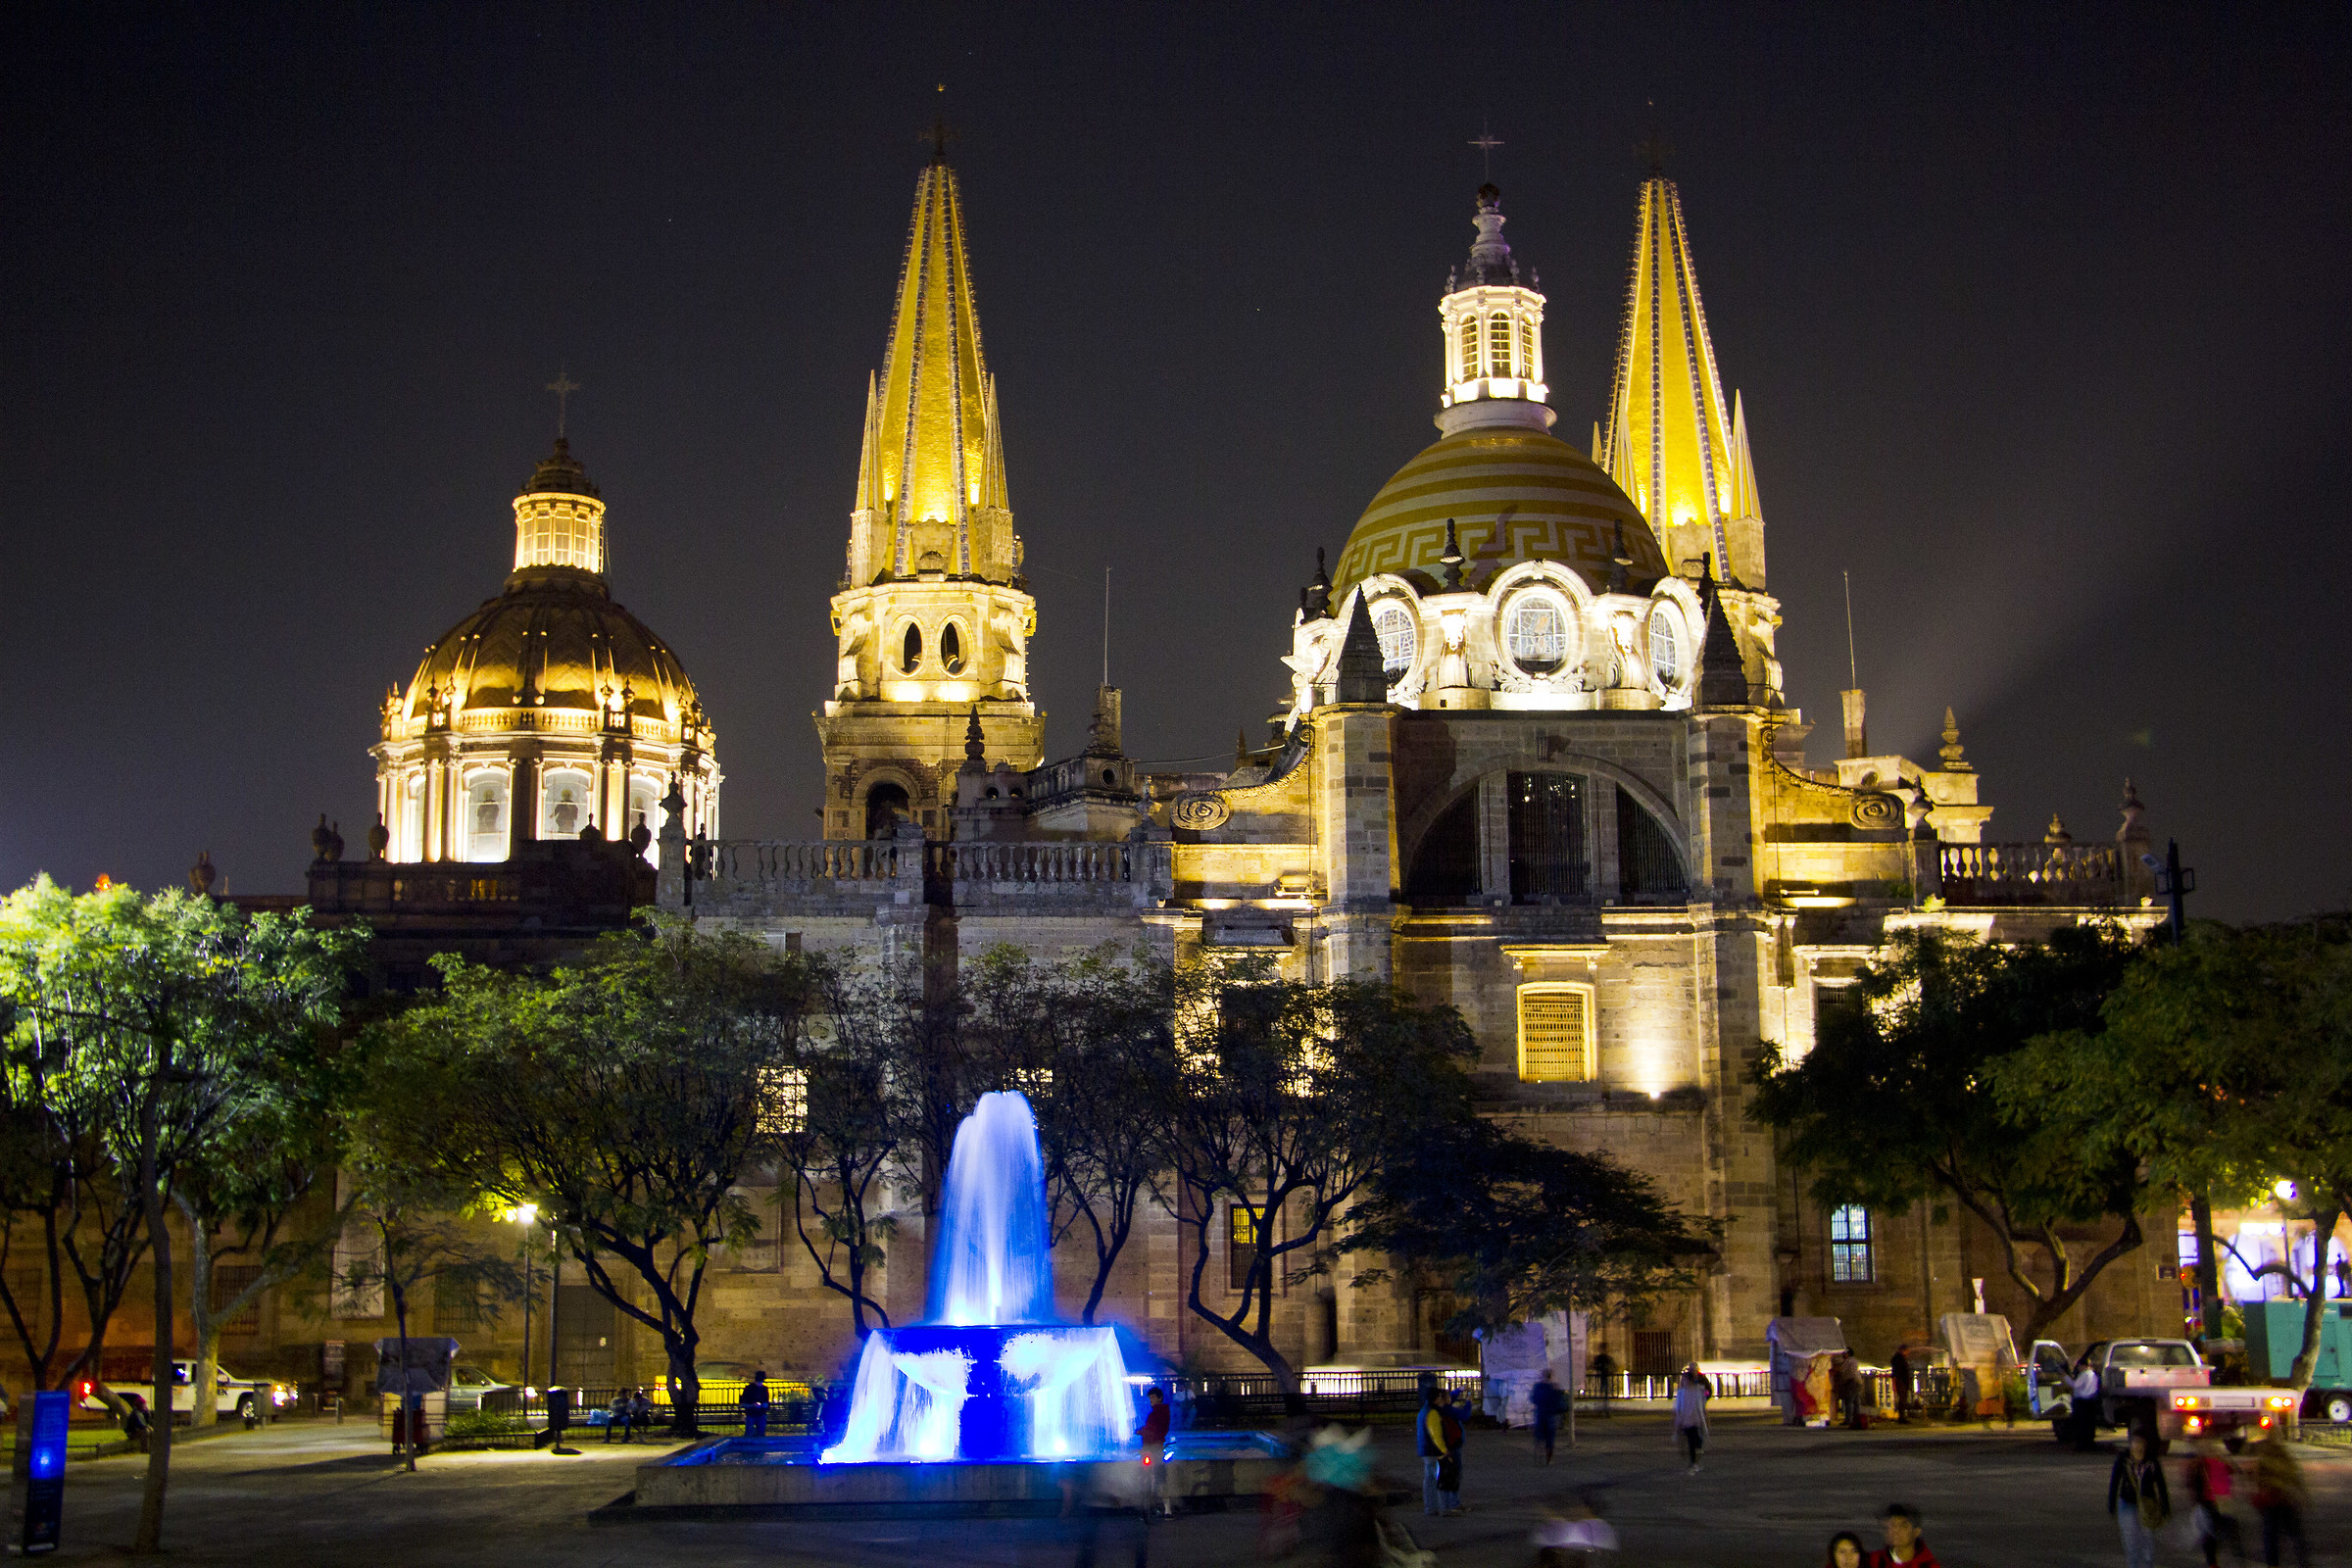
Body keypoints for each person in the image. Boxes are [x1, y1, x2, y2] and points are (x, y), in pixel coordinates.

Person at [2109, 1430, 2170, 1568]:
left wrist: (2165, 1506)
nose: (2137, 1446)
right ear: (2130, 1444)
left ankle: (2148, 1565)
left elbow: (2161, 1484)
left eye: (2140, 1443)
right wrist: (2112, 1504)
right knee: (2130, 1541)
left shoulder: (2151, 1461)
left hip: (2148, 1504)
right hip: (2127, 1503)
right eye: (2135, 1443)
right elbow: (2115, 1481)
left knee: (2147, 1539)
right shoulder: (2123, 1459)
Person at [2248, 1426, 2309, 1567]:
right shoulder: (2276, 1454)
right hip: (2279, 1499)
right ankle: (2301, 1563)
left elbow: (2258, 1477)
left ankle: (2276, 1563)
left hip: (2278, 1500)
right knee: (2290, 1535)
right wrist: (2301, 1493)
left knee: (2274, 1536)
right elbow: (2292, 1475)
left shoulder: (2270, 1454)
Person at [2183, 1439, 2243, 1567]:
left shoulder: (2220, 1461)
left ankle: (2236, 1558)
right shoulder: (2199, 1463)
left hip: (2224, 1501)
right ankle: (2213, 1562)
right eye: (2205, 1447)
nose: (2210, 1449)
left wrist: (2225, 1458)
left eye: (2211, 1446)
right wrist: (2197, 1501)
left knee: (2230, 1529)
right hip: (2209, 1501)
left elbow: (2234, 1470)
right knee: (2211, 1532)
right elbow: (2191, 1482)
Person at [1417, 1384, 1459, 1517]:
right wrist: (1444, 1450)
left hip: (1426, 1450)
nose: (1442, 1399)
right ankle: (1444, 1509)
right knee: (1442, 1480)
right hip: (1434, 1452)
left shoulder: (1424, 1411)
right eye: (1440, 1397)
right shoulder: (1433, 1413)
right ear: (1436, 1398)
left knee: (1429, 1480)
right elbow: (1436, 1434)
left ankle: (1431, 1508)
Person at [1869, 1503, 1940, 1568]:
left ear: (1916, 1532)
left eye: (1903, 1526)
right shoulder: (1873, 1562)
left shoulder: (1929, 1565)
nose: (1894, 1531)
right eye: (1887, 1527)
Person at [1137, 1386, 1171, 1517]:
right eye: (1150, 1398)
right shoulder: (1162, 1412)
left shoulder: (1158, 1412)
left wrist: (1141, 1432)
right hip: (1155, 1446)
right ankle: (1166, 1509)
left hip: (1153, 1447)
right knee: (1159, 1477)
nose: (1151, 1400)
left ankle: (1153, 1507)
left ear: (1160, 1398)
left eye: (1153, 1397)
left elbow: (1154, 1429)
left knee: (1152, 1476)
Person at [1671, 1363, 1710, 1474]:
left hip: (1695, 1419)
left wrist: (1705, 1395)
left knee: (1695, 1440)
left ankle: (1694, 1460)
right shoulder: (1682, 1392)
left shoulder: (1701, 1382)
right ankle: (1693, 1463)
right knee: (1691, 1441)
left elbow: (1708, 1392)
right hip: (1687, 1420)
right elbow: (1678, 1407)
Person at [1438, 1388, 1467, 1514]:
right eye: (1448, 1397)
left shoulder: (1442, 1408)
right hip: (1453, 1446)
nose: (1451, 1398)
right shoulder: (1448, 1410)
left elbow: (1451, 1398)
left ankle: (1450, 1503)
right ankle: (1453, 1503)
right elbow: (1464, 1415)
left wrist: (1459, 1390)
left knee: (1450, 1474)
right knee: (1454, 1474)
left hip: (1451, 1445)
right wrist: (1469, 1403)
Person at [1530, 1368, 1568, 1465]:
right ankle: (1548, 1459)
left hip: (1540, 1413)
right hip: (1550, 1414)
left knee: (1539, 1435)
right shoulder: (1554, 1387)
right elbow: (1559, 1400)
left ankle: (1537, 1455)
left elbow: (1533, 1399)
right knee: (1550, 1438)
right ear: (1550, 1376)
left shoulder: (1538, 1386)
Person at [739, 1369, 770, 1440]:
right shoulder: (749, 1388)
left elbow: (766, 1402)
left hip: (760, 1413)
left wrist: (765, 1405)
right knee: (749, 1432)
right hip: (751, 1413)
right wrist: (752, 1405)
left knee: (760, 1432)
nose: (760, 1383)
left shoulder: (764, 1389)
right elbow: (742, 1403)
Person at [1589, 1347, 1617, 1420]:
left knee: (1603, 1395)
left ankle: (1603, 1411)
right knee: (1603, 1395)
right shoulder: (1604, 1358)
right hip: (1603, 1377)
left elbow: (1594, 1366)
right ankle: (1604, 1411)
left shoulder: (1603, 1358)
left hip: (1603, 1377)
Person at [1890, 1346, 1914, 1423]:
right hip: (1901, 1380)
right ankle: (1902, 1417)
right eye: (1907, 1351)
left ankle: (1902, 1416)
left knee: (1903, 1398)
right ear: (1903, 1350)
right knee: (1902, 1398)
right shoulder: (1899, 1359)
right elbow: (1900, 1370)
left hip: (1901, 1380)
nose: (1908, 1353)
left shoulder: (1897, 1358)